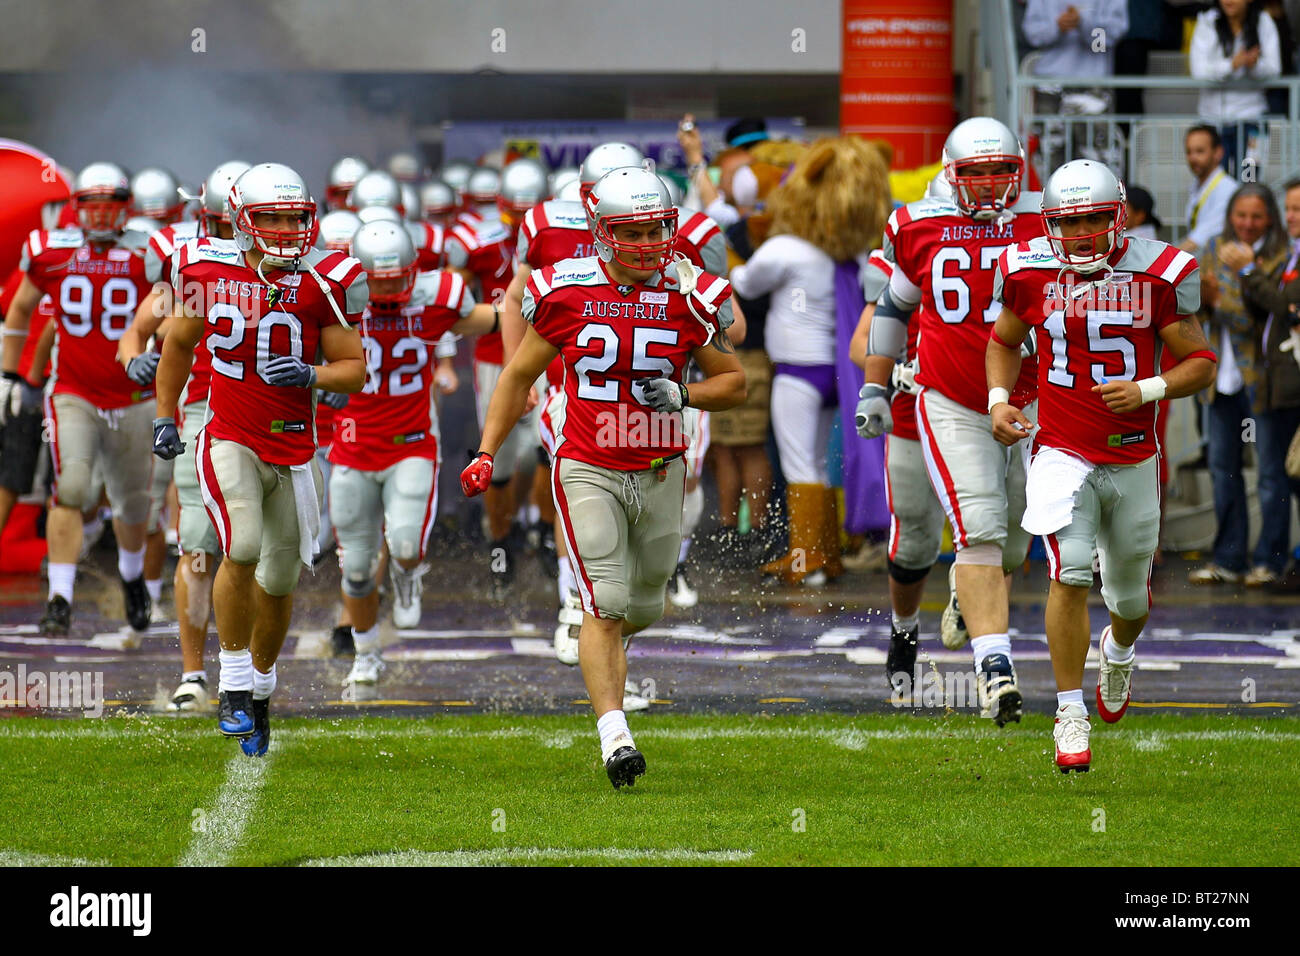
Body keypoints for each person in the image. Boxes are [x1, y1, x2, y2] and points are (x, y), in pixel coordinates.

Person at [463, 167, 744, 788]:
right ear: (600, 232)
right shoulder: (565, 291)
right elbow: (514, 375)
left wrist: (684, 393)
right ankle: (615, 736)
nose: (647, 244)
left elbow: (735, 381)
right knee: (607, 600)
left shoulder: (688, 292)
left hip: (659, 465)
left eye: (656, 230)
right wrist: (487, 451)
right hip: (586, 461)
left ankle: (600, 642)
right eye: (631, 232)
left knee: (643, 604)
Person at [988, 159, 1215, 771]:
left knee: (1130, 600)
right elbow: (1003, 340)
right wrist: (999, 400)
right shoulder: (1029, 269)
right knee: (1070, 575)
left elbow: (1202, 363)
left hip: (1135, 453)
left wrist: (1148, 389)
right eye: (1069, 221)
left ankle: (1117, 652)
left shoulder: (1160, 271)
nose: (1083, 232)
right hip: (1060, 449)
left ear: (1119, 216)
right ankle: (1068, 711)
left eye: (1093, 218)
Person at [153, 162, 367, 756]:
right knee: (238, 546)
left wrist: (313, 373)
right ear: (242, 221)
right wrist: (166, 415)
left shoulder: (329, 278)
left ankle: (263, 688)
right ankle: (232, 683)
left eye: (295, 218)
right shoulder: (205, 268)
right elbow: (178, 342)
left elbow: (356, 367)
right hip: (230, 435)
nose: (284, 230)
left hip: (296, 448)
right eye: (270, 218)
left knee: (278, 579)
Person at [859, 117, 1045, 726]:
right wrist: (875, 385)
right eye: (976, 174)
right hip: (941, 399)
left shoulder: (1045, 222)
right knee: (938, 532)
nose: (990, 187)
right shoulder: (916, 228)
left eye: (1001, 173)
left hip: (1028, 397)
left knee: (1017, 536)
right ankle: (951, 650)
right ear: (949, 175)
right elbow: (887, 309)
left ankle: (972, 602)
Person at [333, 221, 498, 687]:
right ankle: (366, 653)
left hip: (410, 445)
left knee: (405, 547)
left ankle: (407, 575)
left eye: (395, 276)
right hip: (351, 448)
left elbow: (497, 319)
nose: (386, 288)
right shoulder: (333, 298)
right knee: (359, 569)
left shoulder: (436, 296)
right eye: (377, 278)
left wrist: (520, 372)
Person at [1, 162, 157, 639]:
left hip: (135, 395)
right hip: (74, 391)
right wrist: (13, 374)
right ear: (78, 208)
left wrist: (159, 351)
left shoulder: (149, 252)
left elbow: (173, 312)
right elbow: (25, 311)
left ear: (126, 210)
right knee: (70, 489)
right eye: (94, 206)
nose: (102, 217)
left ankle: (132, 577)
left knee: (132, 505)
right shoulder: (50, 251)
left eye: (112, 207)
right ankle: (60, 598)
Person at [118, 159, 250, 710]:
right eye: (222, 224)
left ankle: (250, 670)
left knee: (262, 552)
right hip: (202, 410)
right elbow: (138, 331)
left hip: (270, 416)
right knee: (197, 545)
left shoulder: (295, 270)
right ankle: (195, 673)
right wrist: (134, 362)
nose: (233, 236)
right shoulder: (190, 266)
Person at [731, 136, 891, 587]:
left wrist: (728, 253)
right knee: (819, 463)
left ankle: (807, 560)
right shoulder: (855, 256)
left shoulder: (787, 249)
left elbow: (745, 281)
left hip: (797, 370)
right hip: (838, 372)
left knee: (799, 464)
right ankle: (826, 555)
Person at [849, 175, 955, 687]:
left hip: (988, 409)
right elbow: (860, 346)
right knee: (915, 536)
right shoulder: (902, 258)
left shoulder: (1013, 252)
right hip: (917, 412)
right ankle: (905, 630)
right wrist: (901, 372)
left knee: (1001, 532)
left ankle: (984, 643)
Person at [1189, 183, 1289, 584]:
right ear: (1230, 215)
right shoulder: (1214, 245)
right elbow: (1191, 301)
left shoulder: (1282, 253)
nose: (1247, 224)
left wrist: (1222, 294)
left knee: (1269, 473)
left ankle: (1271, 559)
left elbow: (1257, 318)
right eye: (1240, 215)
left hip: (1262, 379)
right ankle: (1229, 560)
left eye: (1256, 217)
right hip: (1220, 377)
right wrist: (1211, 297)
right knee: (1221, 469)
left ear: (1270, 219)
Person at [1237, 176, 1300, 586]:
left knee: (1287, 472)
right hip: (1279, 380)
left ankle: (1274, 557)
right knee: (1280, 472)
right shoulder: (1290, 255)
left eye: (1298, 210)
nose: (1291, 217)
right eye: (1290, 208)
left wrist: (1245, 270)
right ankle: (1277, 557)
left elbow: (1285, 304)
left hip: (1292, 383)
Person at [1189, 0, 1281, 177]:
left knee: (1250, 180)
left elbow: (1274, 69)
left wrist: (1254, 65)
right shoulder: (1207, 21)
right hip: (1213, 121)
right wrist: (1231, 65)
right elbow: (1198, 71)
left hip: (1254, 121)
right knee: (1215, 184)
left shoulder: (1264, 21)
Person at [1179, 125, 1238, 255]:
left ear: (1218, 153)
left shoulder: (1227, 189)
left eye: (1200, 151)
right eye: (1189, 152)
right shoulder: (1197, 186)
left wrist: (1163, 261)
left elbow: (1197, 240)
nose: (1193, 158)